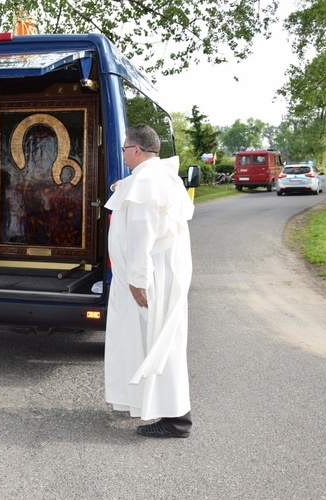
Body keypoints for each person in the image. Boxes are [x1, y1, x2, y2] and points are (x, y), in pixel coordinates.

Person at [104, 124, 195, 439]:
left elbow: (142, 233)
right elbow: (137, 196)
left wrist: (136, 279)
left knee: (160, 343)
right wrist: (123, 187)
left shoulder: (146, 181)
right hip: (161, 274)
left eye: (125, 148)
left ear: (137, 150)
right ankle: (150, 404)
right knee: (148, 341)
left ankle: (177, 419)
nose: (124, 153)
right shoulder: (157, 176)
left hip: (150, 278)